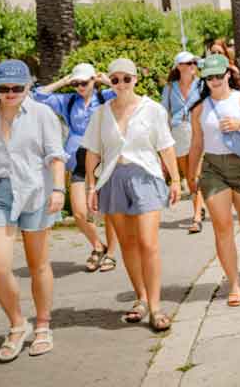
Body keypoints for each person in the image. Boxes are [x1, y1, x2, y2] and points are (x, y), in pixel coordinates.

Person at [0, 59, 66, 362]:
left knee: (38, 264)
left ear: (28, 86)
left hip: (36, 191)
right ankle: (17, 324)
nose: (9, 94)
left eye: (16, 88)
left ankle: (43, 324)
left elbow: (55, 156)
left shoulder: (42, 114)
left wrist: (58, 189)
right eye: (3, 88)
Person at [82, 58, 181, 332]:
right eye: (115, 80)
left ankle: (157, 307)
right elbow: (92, 151)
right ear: (109, 82)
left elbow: (166, 146)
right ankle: (141, 298)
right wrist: (91, 186)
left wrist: (175, 180)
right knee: (127, 245)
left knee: (148, 243)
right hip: (113, 179)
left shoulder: (153, 110)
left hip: (145, 177)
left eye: (127, 78)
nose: (121, 84)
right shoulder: (101, 113)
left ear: (136, 79)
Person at [188, 53, 240, 305]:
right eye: (209, 77)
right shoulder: (199, 109)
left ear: (228, 74)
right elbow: (196, 143)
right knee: (222, 228)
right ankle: (234, 283)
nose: (214, 80)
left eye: (218, 75)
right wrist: (190, 175)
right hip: (213, 170)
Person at [32, 62, 118, 272]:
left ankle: (112, 254)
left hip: (102, 157)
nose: (80, 87)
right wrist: (63, 81)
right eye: (76, 83)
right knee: (79, 212)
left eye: (84, 82)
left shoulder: (104, 96)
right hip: (77, 159)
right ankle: (98, 246)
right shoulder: (69, 100)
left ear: (93, 81)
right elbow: (38, 96)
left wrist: (104, 79)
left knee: (108, 211)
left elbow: (123, 91)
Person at [161, 51, 206, 233]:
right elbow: (164, 114)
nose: (192, 66)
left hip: (197, 131)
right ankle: (199, 205)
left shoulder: (202, 84)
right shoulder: (170, 88)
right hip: (178, 134)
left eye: (194, 63)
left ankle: (196, 217)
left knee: (195, 175)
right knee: (188, 178)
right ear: (179, 66)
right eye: (188, 63)